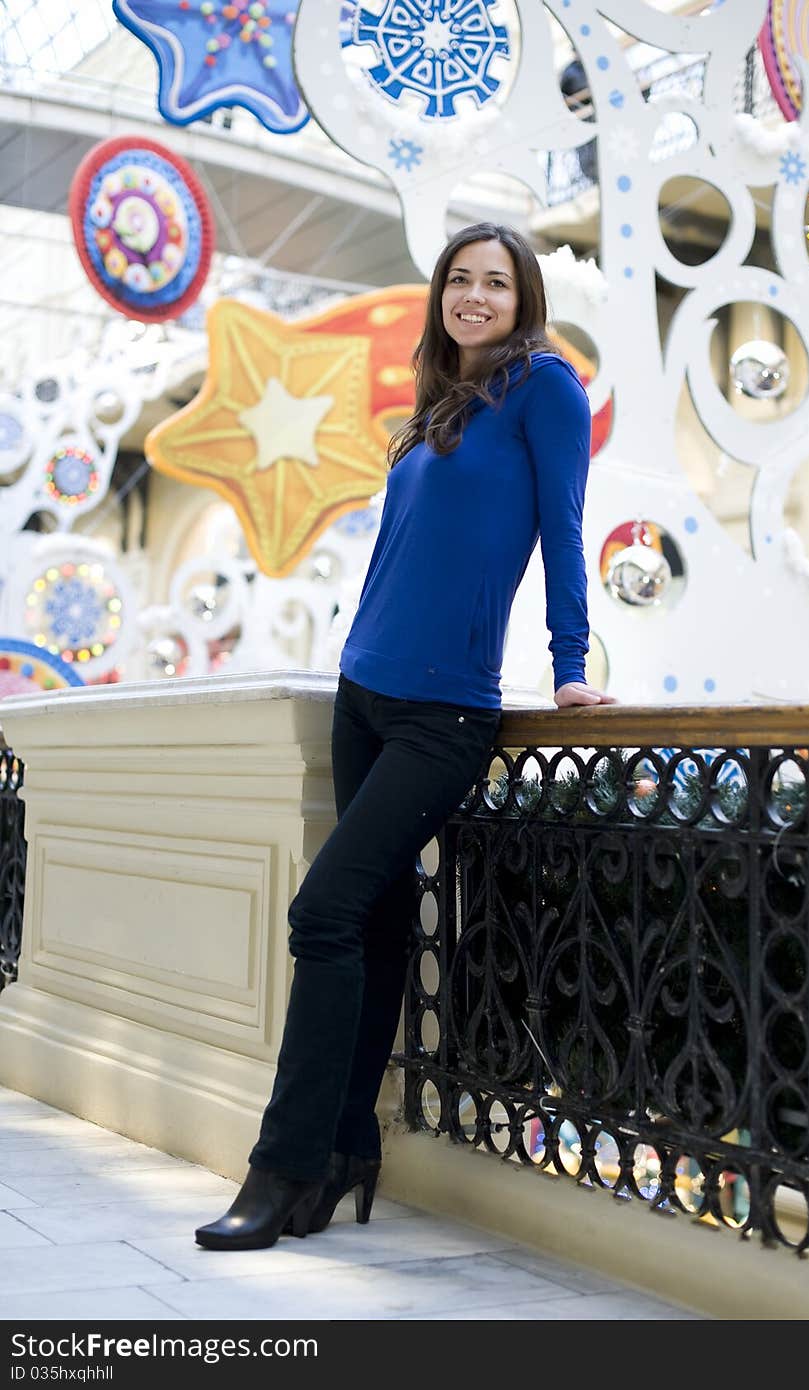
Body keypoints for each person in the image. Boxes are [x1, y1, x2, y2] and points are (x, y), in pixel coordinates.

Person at [194, 222, 615, 1251]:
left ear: (522, 301)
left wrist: (570, 666)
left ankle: (282, 1161)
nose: (474, 295)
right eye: (459, 280)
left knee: (320, 912)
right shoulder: (438, 405)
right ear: (441, 296)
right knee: (372, 927)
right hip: (364, 690)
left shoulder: (546, 387)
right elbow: (399, 552)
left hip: (445, 711)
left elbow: (562, 525)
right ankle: (341, 1161)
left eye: (495, 283)